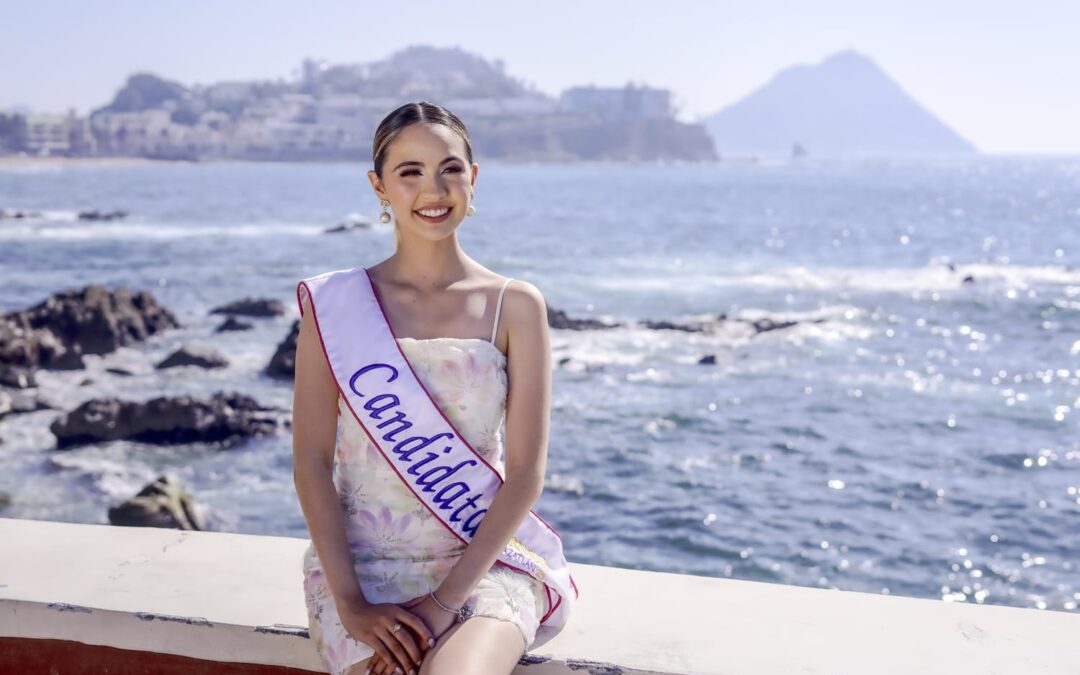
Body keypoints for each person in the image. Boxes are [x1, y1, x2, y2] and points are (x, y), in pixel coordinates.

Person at [292, 101, 575, 675]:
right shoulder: (336, 307)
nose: (434, 188)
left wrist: (447, 601)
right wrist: (349, 603)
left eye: (450, 168)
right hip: (364, 570)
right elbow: (312, 460)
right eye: (410, 171)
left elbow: (525, 475)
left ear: (473, 178)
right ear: (379, 187)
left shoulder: (515, 305)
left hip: (484, 565)